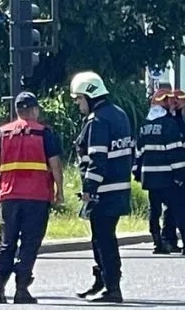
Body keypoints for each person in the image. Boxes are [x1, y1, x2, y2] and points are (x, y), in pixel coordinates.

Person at [0, 92, 64, 304]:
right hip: (37, 196)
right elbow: (55, 165)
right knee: (29, 243)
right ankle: (21, 289)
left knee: (6, 242)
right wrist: (59, 190)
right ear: (35, 110)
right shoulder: (44, 133)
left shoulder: (3, 133)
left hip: (9, 196)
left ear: (17, 111)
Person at [71, 71, 133, 304]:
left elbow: (98, 158)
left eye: (79, 98)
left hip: (103, 191)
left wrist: (89, 188)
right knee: (102, 237)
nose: (78, 104)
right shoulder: (119, 115)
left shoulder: (98, 120)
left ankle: (112, 287)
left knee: (103, 239)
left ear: (90, 95)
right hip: (118, 188)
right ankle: (103, 281)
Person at [134, 90, 185, 255]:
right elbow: (174, 152)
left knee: (154, 211)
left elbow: (138, 152)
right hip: (167, 176)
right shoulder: (169, 124)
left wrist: (137, 173)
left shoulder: (145, 125)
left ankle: (158, 243)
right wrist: (180, 175)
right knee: (180, 208)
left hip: (150, 177)